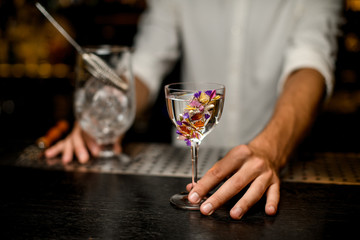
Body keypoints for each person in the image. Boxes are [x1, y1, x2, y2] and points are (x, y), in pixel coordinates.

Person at [45, 0, 343, 220]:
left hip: (279, 166)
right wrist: (107, 114)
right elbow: (147, 63)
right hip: (185, 173)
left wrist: (270, 149)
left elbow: (311, 63)